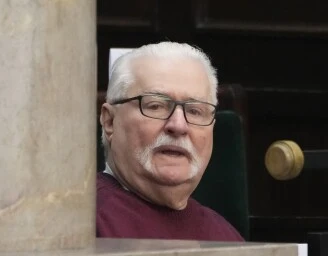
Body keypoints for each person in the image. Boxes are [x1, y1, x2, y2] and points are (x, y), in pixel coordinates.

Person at [97, 42, 244, 242]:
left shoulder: (224, 236)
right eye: (156, 106)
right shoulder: (77, 223)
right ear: (109, 122)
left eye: (195, 111)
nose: (178, 125)